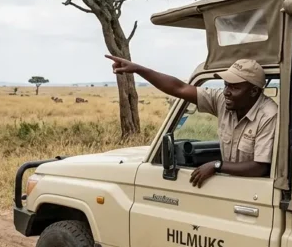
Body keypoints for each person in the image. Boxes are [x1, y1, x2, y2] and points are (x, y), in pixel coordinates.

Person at [106, 55, 277, 188]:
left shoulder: (268, 115)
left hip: (255, 192)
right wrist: (138, 69)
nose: (226, 92)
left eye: (235, 87)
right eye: (226, 85)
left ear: (254, 91)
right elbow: (179, 88)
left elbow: (260, 167)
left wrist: (216, 165)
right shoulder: (223, 101)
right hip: (229, 186)